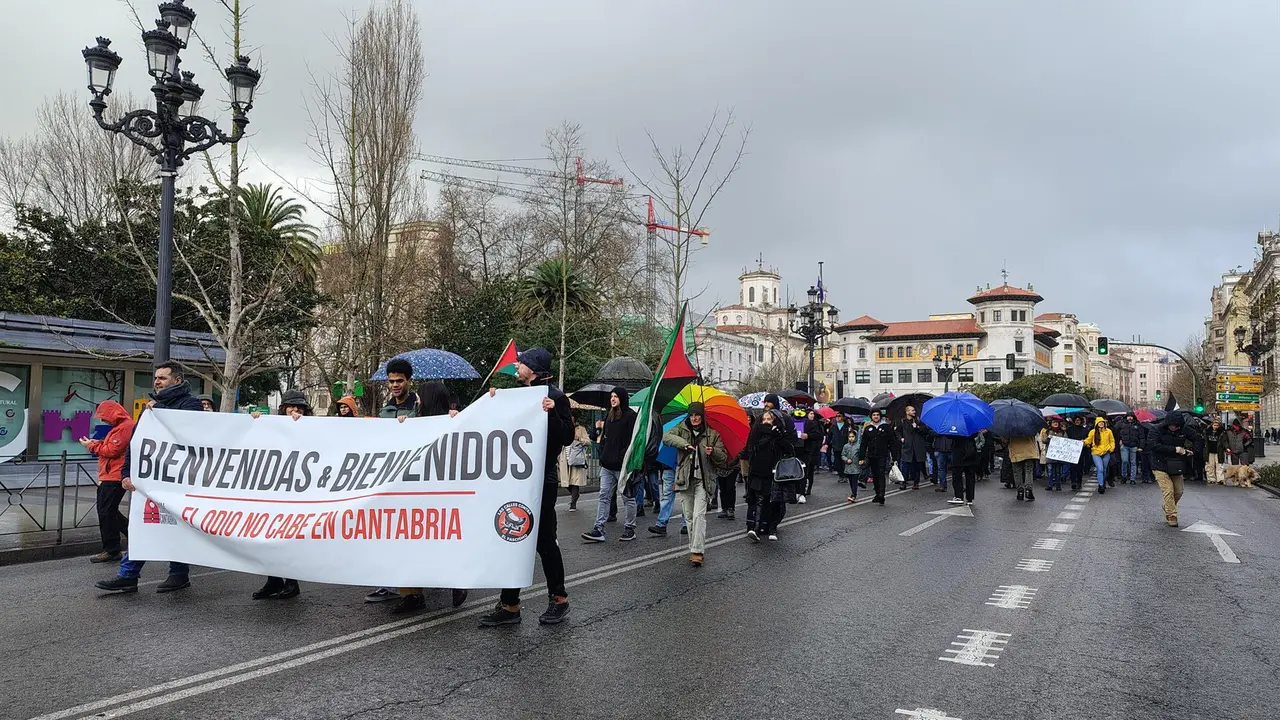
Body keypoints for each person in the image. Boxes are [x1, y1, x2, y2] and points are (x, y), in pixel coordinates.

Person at [480, 347, 574, 627]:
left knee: (545, 540)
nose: (517, 366)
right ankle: (510, 605)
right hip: (514, 479)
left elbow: (566, 436)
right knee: (512, 535)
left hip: (542, 479)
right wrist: (493, 402)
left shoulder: (555, 397)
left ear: (533, 368)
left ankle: (559, 599)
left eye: (521, 363)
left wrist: (553, 412)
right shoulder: (516, 396)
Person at [95, 361, 204, 594]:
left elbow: (187, 434)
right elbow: (137, 443)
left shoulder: (190, 405)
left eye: (162, 378)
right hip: (150, 480)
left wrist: (160, 410)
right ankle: (128, 575)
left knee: (176, 527)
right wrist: (127, 473)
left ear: (177, 380)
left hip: (177, 480)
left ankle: (178, 574)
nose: (157, 382)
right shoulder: (151, 407)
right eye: (155, 378)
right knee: (141, 525)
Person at [389, 382, 468, 614]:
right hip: (416, 495)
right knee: (409, 543)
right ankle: (412, 594)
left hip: (444, 494)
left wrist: (459, 419)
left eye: (420, 397)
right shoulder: (414, 421)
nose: (417, 400)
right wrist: (402, 426)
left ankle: (457, 580)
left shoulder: (456, 421)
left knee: (445, 540)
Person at [247, 390, 310, 601]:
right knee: (269, 537)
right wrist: (257, 422)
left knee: (289, 539)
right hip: (273, 492)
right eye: (292, 406)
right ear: (283, 408)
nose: (296, 410)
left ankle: (292, 583)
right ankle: (274, 580)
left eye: (300, 407)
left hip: (297, 493)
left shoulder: (312, 428)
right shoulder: (271, 425)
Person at [663, 402, 728, 565]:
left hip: (704, 481)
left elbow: (723, 457)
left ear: (702, 416)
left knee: (699, 515)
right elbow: (667, 437)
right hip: (685, 479)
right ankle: (694, 546)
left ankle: (697, 551)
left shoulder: (712, 434)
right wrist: (683, 444)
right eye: (692, 415)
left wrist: (713, 451)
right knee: (690, 516)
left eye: (697, 415)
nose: (694, 418)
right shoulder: (682, 429)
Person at [81, 400, 135, 563]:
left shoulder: (125, 427)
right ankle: (133, 537)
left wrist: (91, 446)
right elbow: (112, 447)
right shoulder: (123, 426)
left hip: (114, 476)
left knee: (106, 512)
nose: (103, 421)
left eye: (104, 417)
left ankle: (112, 549)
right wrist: (96, 444)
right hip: (111, 475)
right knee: (108, 511)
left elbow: (112, 450)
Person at [583, 387, 638, 543]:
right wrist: (602, 454)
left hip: (622, 466)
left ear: (622, 398)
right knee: (604, 496)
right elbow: (604, 438)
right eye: (611, 396)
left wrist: (623, 458)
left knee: (628, 497)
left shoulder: (630, 417)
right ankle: (598, 529)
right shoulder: (609, 415)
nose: (613, 399)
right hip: (607, 465)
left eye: (616, 396)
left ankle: (630, 528)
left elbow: (631, 442)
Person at [743, 408, 792, 542]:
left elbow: (790, 450)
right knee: (758, 500)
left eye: (769, 419)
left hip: (774, 473)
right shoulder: (755, 433)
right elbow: (749, 450)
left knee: (774, 501)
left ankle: (772, 528)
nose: (765, 421)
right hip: (758, 472)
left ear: (774, 421)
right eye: (763, 419)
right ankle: (755, 528)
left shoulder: (779, 433)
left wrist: (779, 437)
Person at [1149, 412, 1197, 527]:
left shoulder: (1183, 430)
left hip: (1176, 465)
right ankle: (1172, 515)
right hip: (1159, 464)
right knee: (1168, 490)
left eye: (1176, 425)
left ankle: (1167, 506)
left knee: (1179, 491)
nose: (1174, 427)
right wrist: (1175, 449)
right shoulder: (1156, 430)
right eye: (1172, 425)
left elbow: (1197, 438)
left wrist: (1192, 450)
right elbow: (1153, 445)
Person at [857, 409, 898, 505]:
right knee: (875, 475)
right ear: (871, 416)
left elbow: (892, 442)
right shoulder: (868, 428)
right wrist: (861, 457)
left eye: (877, 415)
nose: (876, 416)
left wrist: (894, 456)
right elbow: (863, 444)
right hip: (871, 455)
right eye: (874, 415)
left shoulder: (886, 427)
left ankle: (881, 495)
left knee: (881, 474)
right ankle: (877, 493)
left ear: (880, 416)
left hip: (882, 455)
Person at [895, 405, 933, 490]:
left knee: (916, 466)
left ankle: (916, 483)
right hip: (907, 447)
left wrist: (917, 427)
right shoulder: (902, 421)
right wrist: (900, 438)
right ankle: (903, 483)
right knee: (905, 466)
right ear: (907, 412)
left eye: (914, 410)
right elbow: (897, 431)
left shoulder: (918, 420)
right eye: (912, 410)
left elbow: (925, 431)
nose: (914, 412)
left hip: (917, 447)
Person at [561, 422, 590, 510]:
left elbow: (588, 442)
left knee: (575, 481)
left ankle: (573, 503)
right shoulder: (563, 426)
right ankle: (575, 495)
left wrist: (579, 438)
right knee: (565, 482)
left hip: (576, 458)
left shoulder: (580, 429)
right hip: (564, 457)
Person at [1084, 417, 1116, 494]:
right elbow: (1088, 440)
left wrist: (1111, 448)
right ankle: (1101, 485)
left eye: (1103, 422)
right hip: (1096, 453)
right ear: (1097, 424)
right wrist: (1084, 442)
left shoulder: (1108, 431)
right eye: (1100, 422)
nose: (1101, 423)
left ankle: (1102, 482)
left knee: (1104, 469)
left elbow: (1112, 441)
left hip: (1106, 452)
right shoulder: (1092, 432)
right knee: (1100, 469)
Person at [949, 432, 981, 505]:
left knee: (957, 476)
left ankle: (959, 496)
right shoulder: (971, 424)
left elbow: (949, 436)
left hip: (958, 454)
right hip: (970, 452)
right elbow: (975, 434)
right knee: (970, 477)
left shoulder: (955, 425)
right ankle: (970, 498)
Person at [799, 409, 824, 502]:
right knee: (804, 470)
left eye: (813, 413)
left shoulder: (816, 424)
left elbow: (819, 436)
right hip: (803, 449)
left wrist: (808, 436)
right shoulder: (800, 422)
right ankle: (802, 489)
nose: (812, 415)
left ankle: (808, 487)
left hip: (813, 450)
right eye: (810, 413)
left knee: (810, 470)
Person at [824, 412, 853, 489]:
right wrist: (826, 443)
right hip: (836, 446)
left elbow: (851, 435)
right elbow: (829, 436)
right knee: (837, 462)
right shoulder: (833, 426)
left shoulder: (847, 426)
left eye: (839, 416)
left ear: (843, 417)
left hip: (845, 446)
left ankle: (845, 475)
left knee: (845, 461)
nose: (837, 417)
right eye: (836, 416)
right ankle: (841, 476)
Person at [1007, 434, 1038, 501]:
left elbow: (1005, 439)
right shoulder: (1029, 424)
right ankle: (1028, 490)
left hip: (1015, 450)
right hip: (1029, 450)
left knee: (1017, 472)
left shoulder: (1011, 427)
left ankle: (1020, 491)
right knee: (1028, 470)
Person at [1115, 413, 1143, 485]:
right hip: (1124, 445)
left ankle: (1132, 478)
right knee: (1124, 461)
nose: (1130, 418)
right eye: (1128, 416)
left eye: (1131, 416)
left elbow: (1141, 436)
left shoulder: (1137, 424)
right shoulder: (1121, 424)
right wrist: (1119, 440)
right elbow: (1115, 432)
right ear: (1126, 417)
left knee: (1133, 462)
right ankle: (1124, 476)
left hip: (1134, 446)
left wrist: (1140, 446)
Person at [1041, 419, 1067, 491]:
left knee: (1058, 471)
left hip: (1058, 454)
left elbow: (1066, 440)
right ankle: (1050, 485)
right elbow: (1043, 440)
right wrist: (1048, 438)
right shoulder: (1048, 431)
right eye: (1054, 422)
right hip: (1050, 454)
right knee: (1050, 470)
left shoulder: (1062, 432)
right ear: (1051, 424)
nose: (1055, 423)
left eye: (1056, 422)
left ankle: (1058, 485)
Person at [1066, 415, 1090, 491]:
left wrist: (1085, 443)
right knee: (1072, 467)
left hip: (1081, 451)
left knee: (1080, 468)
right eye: (1076, 420)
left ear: (1081, 421)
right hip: (1072, 451)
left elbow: (1087, 439)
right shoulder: (1069, 429)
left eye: (1079, 420)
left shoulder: (1085, 430)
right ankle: (1073, 482)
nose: (1077, 421)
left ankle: (1079, 482)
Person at [841, 425, 863, 503]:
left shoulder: (858, 446)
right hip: (848, 466)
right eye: (850, 437)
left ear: (855, 437)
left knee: (854, 481)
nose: (851, 438)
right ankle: (853, 493)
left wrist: (861, 460)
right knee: (850, 481)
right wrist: (846, 460)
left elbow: (861, 455)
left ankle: (854, 495)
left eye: (853, 437)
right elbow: (843, 455)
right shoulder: (846, 446)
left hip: (856, 467)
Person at [1204, 418, 1226, 485]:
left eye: (1217, 425)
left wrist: (1226, 448)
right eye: (1214, 425)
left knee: (1219, 465)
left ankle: (1220, 479)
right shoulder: (1207, 432)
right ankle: (1211, 479)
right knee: (1210, 465)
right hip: (1209, 450)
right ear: (1212, 425)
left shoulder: (1221, 433)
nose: (1216, 427)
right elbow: (1205, 441)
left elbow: (1224, 442)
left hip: (1218, 450)